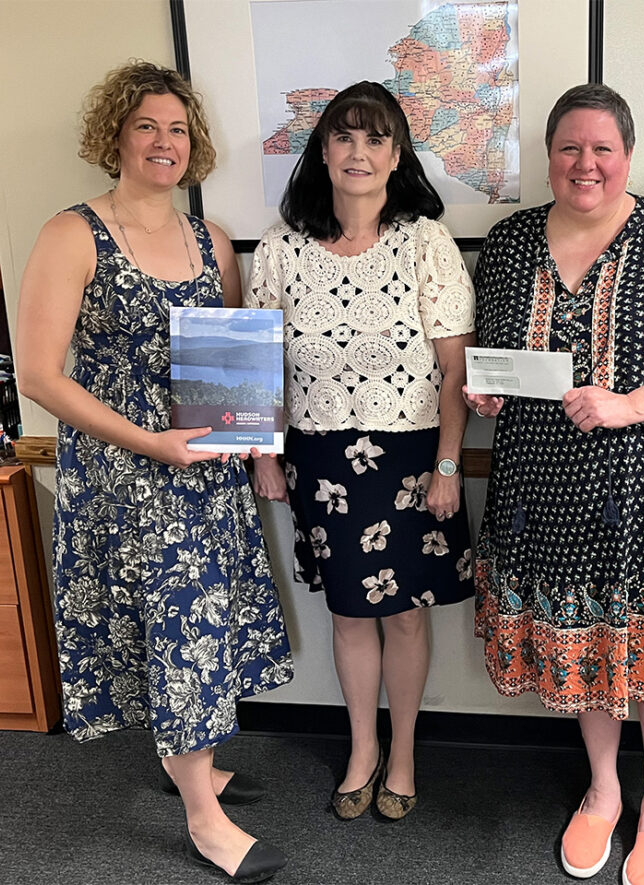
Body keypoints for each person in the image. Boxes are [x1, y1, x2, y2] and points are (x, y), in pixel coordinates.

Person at [465, 84, 644, 885]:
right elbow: (498, 352)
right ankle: (603, 789)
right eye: (569, 147)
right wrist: (487, 391)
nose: (585, 163)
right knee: (585, 638)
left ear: (628, 155)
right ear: (548, 156)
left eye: (602, 149)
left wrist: (628, 404)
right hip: (548, 488)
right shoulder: (511, 241)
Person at [16, 61, 293, 884]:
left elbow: (234, 356)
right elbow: (39, 375)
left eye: (176, 128)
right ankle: (203, 818)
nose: (163, 142)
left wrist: (256, 441)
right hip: (125, 477)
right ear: (117, 137)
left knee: (204, 625)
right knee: (174, 632)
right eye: (146, 126)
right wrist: (149, 441)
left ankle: (191, 764)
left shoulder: (210, 241)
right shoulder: (73, 234)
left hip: (204, 474)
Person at [247, 81, 475, 822]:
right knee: (348, 613)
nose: (359, 152)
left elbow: (456, 371)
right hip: (320, 462)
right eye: (344, 136)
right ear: (322, 150)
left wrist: (448, 466)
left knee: (406, 615)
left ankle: (403, 752)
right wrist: (264, 456)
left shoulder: (426, 242)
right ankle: (362, 750)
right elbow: (257, 364)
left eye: (376, 138)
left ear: (397, 154)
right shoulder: (279, 248)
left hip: (413, 462)